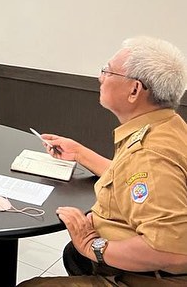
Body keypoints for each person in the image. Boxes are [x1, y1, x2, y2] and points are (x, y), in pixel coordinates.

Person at [19, 36, 187, 286]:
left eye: (107, 71)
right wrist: (79, 153)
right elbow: (129, 181)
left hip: (149, 277)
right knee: (73, 255)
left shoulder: (151, 156)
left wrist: (94, 246)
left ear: (134, 90)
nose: (100, 78)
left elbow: (172, 252)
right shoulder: (166, 125)